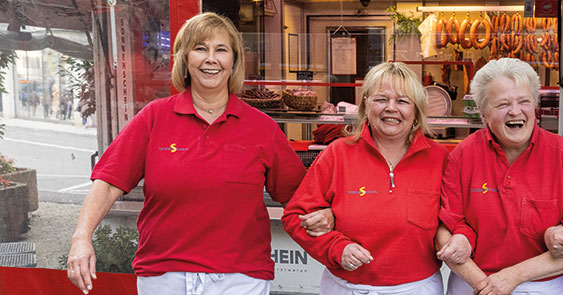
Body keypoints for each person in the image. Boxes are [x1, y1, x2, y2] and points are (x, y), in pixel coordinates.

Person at [65, 13, 333, 295]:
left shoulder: (261, 128)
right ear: (185, 58)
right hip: (165, 276)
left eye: (221, 50)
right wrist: (81, 238)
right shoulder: (154, 117)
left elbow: (300, 196)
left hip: (241, 279)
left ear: (234, 61)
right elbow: (108, 183)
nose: (211, 59)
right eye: (200, 48)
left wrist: (326, 215)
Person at [282, 62, 449, 294]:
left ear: (417, 110)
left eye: (402, 101)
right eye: (381, 99)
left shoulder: (440, 159)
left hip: (417, 288)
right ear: (366, 105)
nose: (391, 108)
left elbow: (457, 219)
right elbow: (295, 216)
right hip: (348, 287)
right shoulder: (338, 153)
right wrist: (336, 248)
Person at [435, 58, 563, 295]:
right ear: (484, 113)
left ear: (535, 106)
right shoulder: (463, 155)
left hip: (545, 285)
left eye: (524, 102)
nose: (515, 111)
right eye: (502, 104)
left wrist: (514, 276)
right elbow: (444, 232)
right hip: (473, 283)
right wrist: (484, 285)